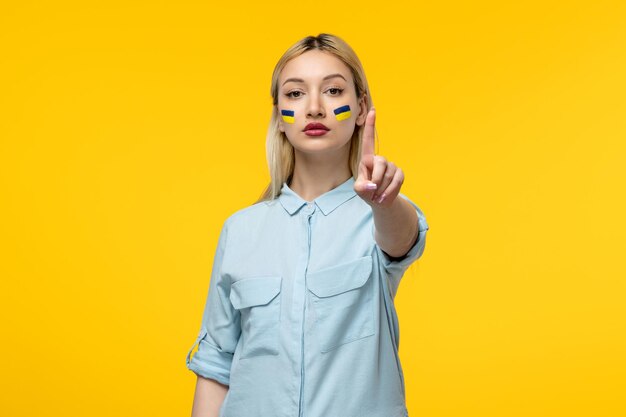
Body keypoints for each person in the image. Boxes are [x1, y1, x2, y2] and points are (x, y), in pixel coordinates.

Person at [185, 33, 429, 417]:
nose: (314, 108)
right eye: (295, 94)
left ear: (361, 107)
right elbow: (216, 366)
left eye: (333, 91)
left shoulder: (382, 215)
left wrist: (384, 200)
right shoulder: (240, 230)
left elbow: (403, 239)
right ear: (279, 116)